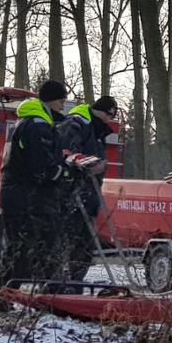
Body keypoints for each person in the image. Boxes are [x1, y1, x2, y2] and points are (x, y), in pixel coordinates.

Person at [0, 81, 85, 309]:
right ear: (50, 99)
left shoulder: (34, 122)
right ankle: (0, 298)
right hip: (24, 198)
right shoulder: (37, 126)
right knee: (18, 250)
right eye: (61, 99)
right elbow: (41, 166)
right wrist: (67, 171)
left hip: (24, 196)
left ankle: (24, 296)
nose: (64, 104)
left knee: (36, 248)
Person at [54, 96, 118, 282]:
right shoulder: (76, 124)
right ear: (98, 110)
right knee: (68, 243)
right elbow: (67, 154)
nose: (109, 119)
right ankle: (60, 284)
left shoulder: (97, 132)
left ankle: (75, 283)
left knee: (84, 246)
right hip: (72, 195)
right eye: (108, 114)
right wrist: (87, 166)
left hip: (89, 196)